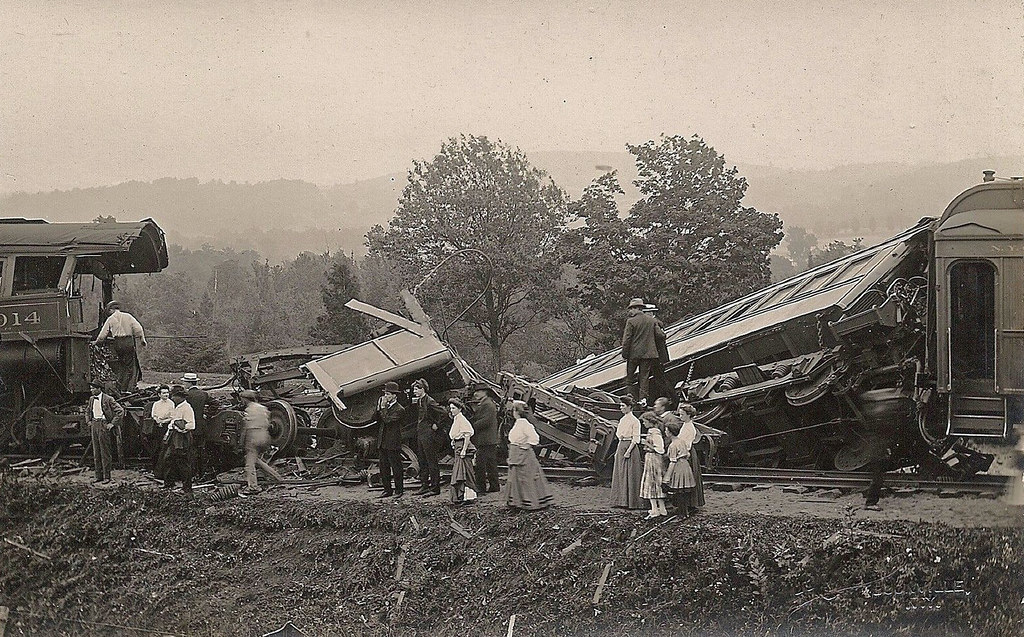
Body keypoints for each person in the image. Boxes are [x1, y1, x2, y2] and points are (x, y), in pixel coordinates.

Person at [504, 401, 552, 511]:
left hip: (523, 455)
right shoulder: (518, 423)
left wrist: (526, 445)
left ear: (516, 412)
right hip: (516, 453)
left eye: (513, 410)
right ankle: (517, 502)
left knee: (525, 478)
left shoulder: (525, 424)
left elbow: (535, 438)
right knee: (516, 478)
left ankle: (530, 503)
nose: (512, 413)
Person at [92, 301, 147, 395]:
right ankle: (127, 389)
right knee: (130, 367)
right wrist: (142, 339)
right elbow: (138, 329)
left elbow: (102, 335)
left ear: (111, 310)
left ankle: (121, 387)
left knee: (122, 365)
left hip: (118, 343)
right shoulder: (128, 316)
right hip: (128, 342)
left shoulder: (111, 319)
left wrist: (96, 343)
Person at [621, 298, 665, 408]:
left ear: (637, 308)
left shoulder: (631, 321)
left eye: (631, 308)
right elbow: (661, 336)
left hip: (634, 355)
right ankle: (643, 400)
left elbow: (627, 339)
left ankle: (630, 398)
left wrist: (624, 354)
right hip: (649, 354)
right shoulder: (651, 320)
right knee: (644, 378)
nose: (630, 311)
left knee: (630, 378)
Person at [411, 378, 446, 497]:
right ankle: (424, 485)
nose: (414, 391)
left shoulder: (430, 401)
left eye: (416, 389)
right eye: (414, 389)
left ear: (423, 389)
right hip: (421, 434)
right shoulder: (420, 401)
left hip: (429, 435)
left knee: (431, 462)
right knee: (422, 461)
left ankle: (435, 488)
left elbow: (444, 412)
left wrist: (437, 425)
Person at [610, 396, 644, 509]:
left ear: (629, 407)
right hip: (622, 445)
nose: (621, 408)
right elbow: (618, 434)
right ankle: (621, 500)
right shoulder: (622, 419)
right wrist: (619, 447)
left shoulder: (635, 421)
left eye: (623, 406)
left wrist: (628, 451)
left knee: (630, 473)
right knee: (620, 472)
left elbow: (636, 438)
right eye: (620, 406)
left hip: (631, 447)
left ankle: (632, 502)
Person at [87, 381, 124, 484]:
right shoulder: (91, 399)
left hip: (104, 425)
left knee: (105, 452)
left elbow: (120, 411)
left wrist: (112, 423)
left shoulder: (108, 399)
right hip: (94, 424)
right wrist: (89, 421)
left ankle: (107, 477)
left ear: (99, 389)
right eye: (91, 388)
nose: (91, 390)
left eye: (93, 388)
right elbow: (88, 411)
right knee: (96, 452)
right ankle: (98, 476)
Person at [161, 385, 196, 494]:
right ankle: (168, 483)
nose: (172, 398)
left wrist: (181, 428)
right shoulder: (175, 407)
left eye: (174, 396)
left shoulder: (186, 408)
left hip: (182, 437)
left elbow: (191, 425)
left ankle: (187, 488)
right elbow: (172, 420)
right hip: (173, 436)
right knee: (168, 459)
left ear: (180, 397)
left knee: (183, 462)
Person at [662, 412, 697, 516]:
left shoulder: (673, 446)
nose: (665, 432)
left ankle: (682, 514)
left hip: (678, 467)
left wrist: (667, 478)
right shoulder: (681, 441)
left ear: (670, 433)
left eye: (666, 430)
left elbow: (672, 462)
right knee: (684, 491)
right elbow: (687, 454)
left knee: (679, 491)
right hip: (685, 466)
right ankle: (685, 512)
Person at [375, 381, 406, 498]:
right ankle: (387, 490)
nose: (386, 397)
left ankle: (399, 490)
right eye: (385, 394)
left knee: (396, 467)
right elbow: (377, 419)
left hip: (393, 442)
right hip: (382, 441)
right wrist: (379, 408)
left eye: (388, 394)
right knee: (384, 468)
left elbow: (387, 420)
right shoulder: (385, 407)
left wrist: (383, 408)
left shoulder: (399, 409)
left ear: (394, 395)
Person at [469, 382, 501, 494]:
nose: (476, 394)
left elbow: (485, 421)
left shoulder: (487, 404)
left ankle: (481, 487)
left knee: (480, 465)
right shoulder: (486, 403)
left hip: (486, 439)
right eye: (475, 392)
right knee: (490, 464)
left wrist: (472, 426)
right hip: (488, 439)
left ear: (485, 392)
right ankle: (494, 486)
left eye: (478, 391)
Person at [239, 390, 271, 496]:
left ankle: (253, 487)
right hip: (264, 435)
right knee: (257, 460)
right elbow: (268, 423)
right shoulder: (263, 408)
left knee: (249, 464)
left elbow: (246, 428)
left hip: (253, 436)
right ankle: (275, 478)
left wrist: (241, 442)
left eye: (242, 399)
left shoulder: (249, 410)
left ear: (245, 399)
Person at [447, 398, 478, 506]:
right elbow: (456, 434)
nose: (452, 410)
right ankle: (461, 496)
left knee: (464, 472)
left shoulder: (462, 420)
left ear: (460, 409)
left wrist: (464, 450)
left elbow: (467, 435)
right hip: (458, 446)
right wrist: (453, 441)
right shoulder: (456, 419)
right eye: (450, 408)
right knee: (459, 471)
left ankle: (468, 496)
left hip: (462, 448)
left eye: (454, 408)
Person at [182, 373, 211, 478]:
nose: (184, 384)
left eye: (185, 382)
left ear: (189, 383)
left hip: (189, 426)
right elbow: (215, 403)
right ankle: (201, 473)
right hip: (201, 425)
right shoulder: (203, 394)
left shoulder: (186, 396)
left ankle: (191, 474)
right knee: (200, 450)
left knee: (189, 450)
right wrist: (207, 414)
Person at [678, 403, 705, 511]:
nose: (680, 416)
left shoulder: (689, 427)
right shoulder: (685, 425)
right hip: (684, 451)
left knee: (690, 477)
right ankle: (688, 503)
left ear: (689, 415)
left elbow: (687, 444)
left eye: (682, 414)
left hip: (687, 453)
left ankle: (691, 504)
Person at [639, 425, 667, 519]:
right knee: (655, 484)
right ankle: (661, 508)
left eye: (645, 422)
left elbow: (660, 450)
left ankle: (655, 509)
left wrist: (646, 443)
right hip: (651, 459)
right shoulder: (652, 432)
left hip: (654, 459)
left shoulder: (655, 433)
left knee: (652, 483)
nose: (644, 424)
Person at [643, 304, 670, 401]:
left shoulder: (654, 323)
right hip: (656, 356)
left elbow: (661, 336)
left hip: (658, 357)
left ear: (650, 313)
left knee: (660, 379)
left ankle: (665, 399)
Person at [149, 385, 175, 476]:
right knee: (156, 448)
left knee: (164, 448)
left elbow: (172, 416)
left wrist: (164, 421)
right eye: (163, 393)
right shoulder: (156, 404)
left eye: (167, 393)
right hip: (157, 426)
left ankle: (163, 471)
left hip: (166, 427)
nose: (166, 394)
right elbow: (154, 415)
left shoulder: (171, 403)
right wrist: (158, 421)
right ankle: (154, 469)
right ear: (159, 394)